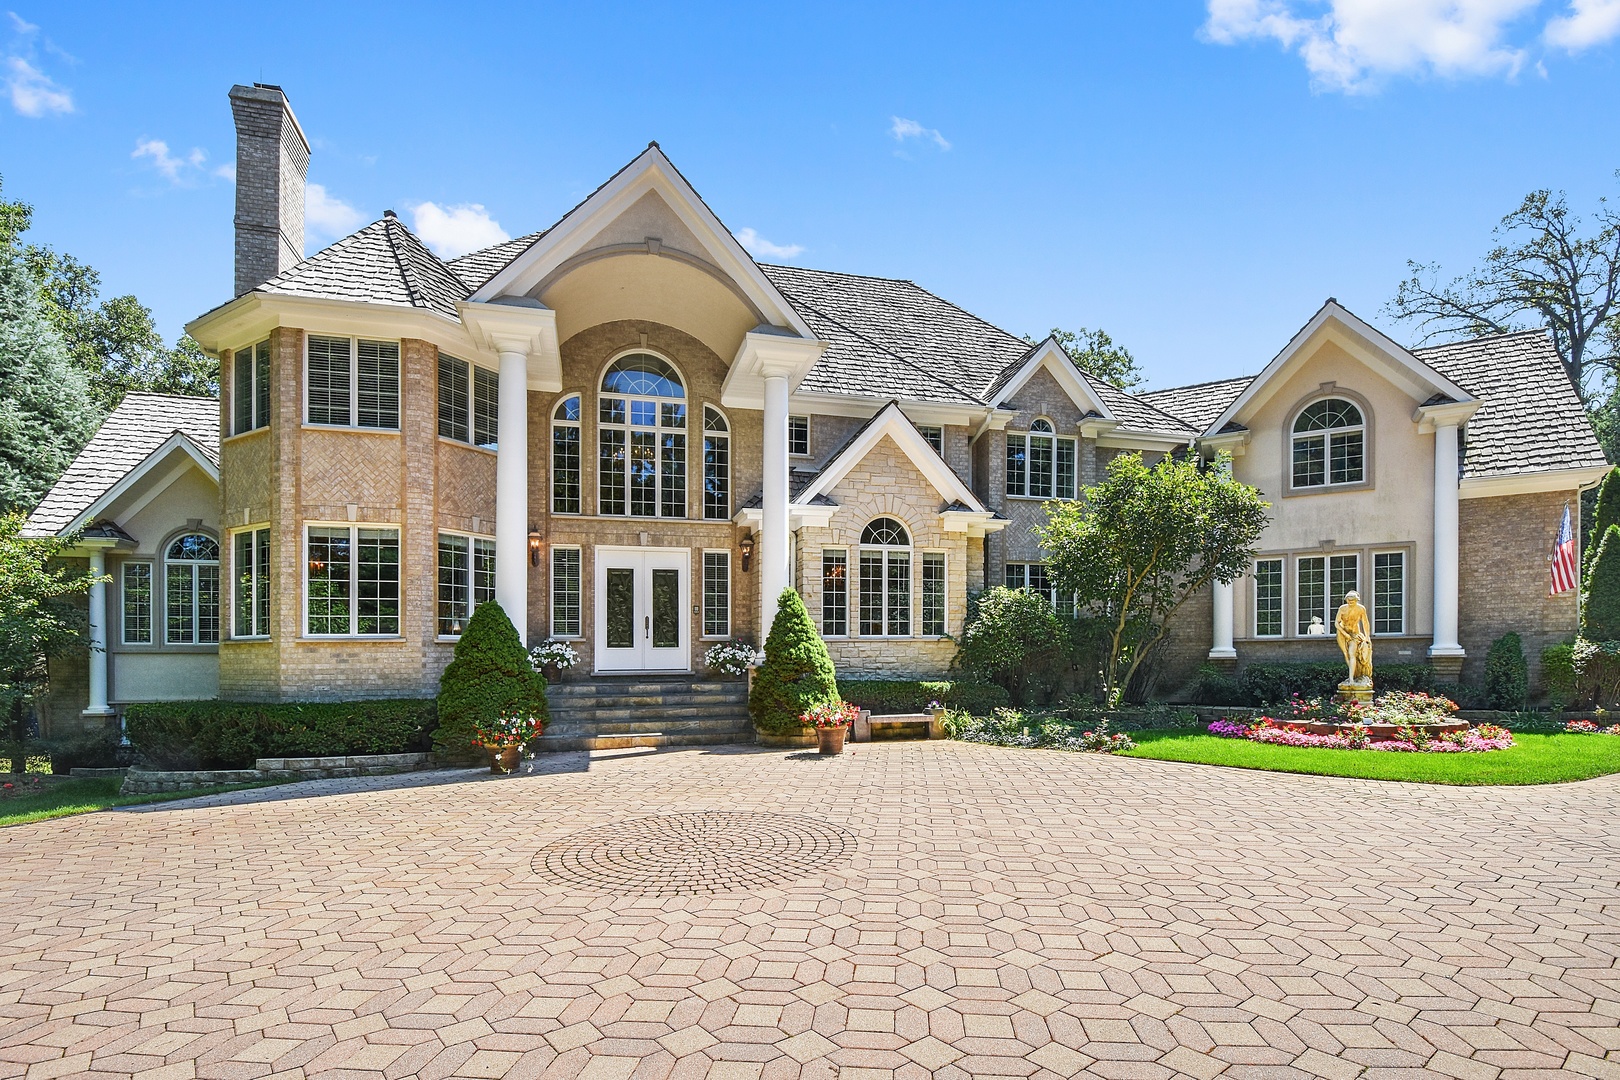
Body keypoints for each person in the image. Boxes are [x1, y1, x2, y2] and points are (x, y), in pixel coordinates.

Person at [1334, 590, 1373, 686]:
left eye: (1352, 600)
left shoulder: (1361, 609)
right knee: (1346, 654)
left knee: (1352, 653)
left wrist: (1367, 637)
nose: (1350, 602)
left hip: (1354, 633)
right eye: (1348, 600)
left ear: (1357, 600)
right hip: (1342, 632)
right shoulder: (1342, 608)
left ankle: (1352, 679)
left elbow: (1365, 623)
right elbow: (1336, 623)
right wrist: (1345, 634)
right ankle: (1353, 676)